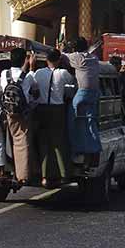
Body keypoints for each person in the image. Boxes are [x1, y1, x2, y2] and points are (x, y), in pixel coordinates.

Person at [32, 48, 76, 187]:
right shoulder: (63, 73)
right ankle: (64, 175)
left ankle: (45, 176)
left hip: (41, 109)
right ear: (59, 60)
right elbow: (72, 88)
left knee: (44, 143)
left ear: (46, 60)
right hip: (58, 109)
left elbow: (33, 89)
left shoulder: (38, 73)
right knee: (59, 143)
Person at [0, 48, 40, 185]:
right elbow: (34, 91)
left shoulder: (4, 73)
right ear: (24, 60)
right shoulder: (27, 76)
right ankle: (23, 175)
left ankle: (8, 168)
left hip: (8, 112)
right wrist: (32, 67)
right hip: (23, 113)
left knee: (9, 140)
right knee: (22, 142)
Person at [63, 37, 102, 168]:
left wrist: (63, 48)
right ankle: (94, 151)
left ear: (74, 49)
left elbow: (61, 56)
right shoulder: (94, 59)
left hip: (82, 92)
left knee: (72, 119)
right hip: (95, 93)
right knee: (91, 122)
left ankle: (75, 150)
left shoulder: (77, 58)